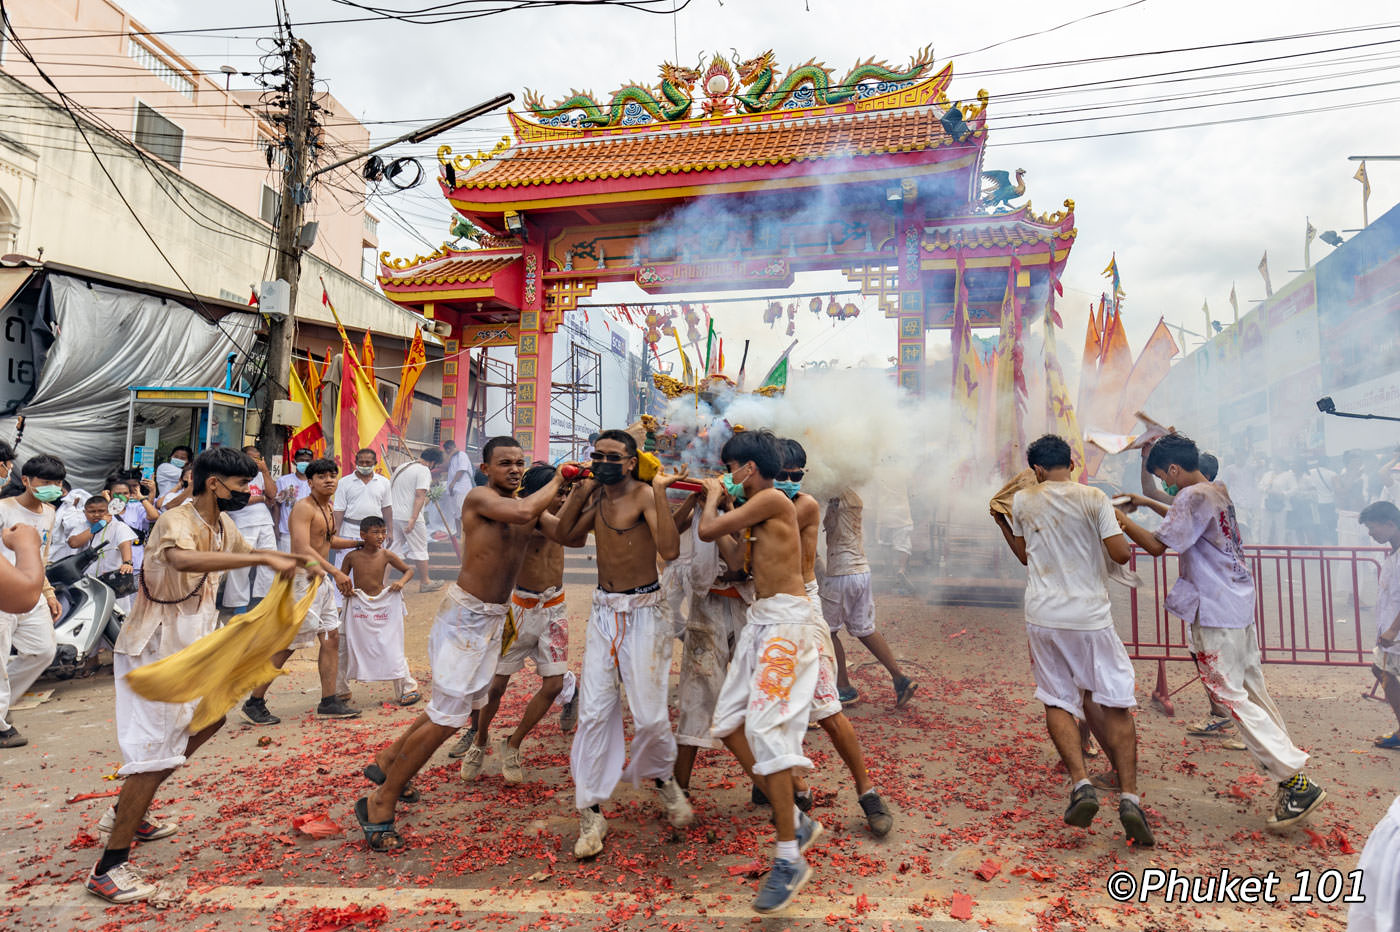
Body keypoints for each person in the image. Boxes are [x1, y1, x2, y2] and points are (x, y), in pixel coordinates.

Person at [83, 448, 313, 904]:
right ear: (213, 484)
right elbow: (184, 562)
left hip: (194, 645)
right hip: (155, 648)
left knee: (209, 721)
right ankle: (108, 868)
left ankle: (127, 809)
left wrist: (312, 563)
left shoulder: (223, 525)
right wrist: (262, 563)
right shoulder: (176, 521)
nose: (247, 495)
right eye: (240, 486)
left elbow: (259, 551)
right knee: (154, 754)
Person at [356, 437, 570, 852]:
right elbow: (527, 509)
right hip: (465, 617)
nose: (514, 469)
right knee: (447, 717)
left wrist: (581, 492)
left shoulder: (526, 509)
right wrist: (561, 477)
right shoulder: (481, 497)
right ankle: (379, 803)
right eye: (505, 463)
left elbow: (569, 533)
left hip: (490, 620)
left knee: (450, 709)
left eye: (519, 463)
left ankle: (386, 763)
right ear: (485, 468)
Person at [1119, 434, 1326, 831]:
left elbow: (1159, 545)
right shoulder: (1215, 490)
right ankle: (1289, 779)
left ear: (1174, 469)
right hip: (1236, 606)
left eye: (1163, 475)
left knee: (1229, 698)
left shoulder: (1191, 497)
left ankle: (1296, 781)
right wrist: (1146, 502)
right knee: (1252, 692)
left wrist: (1121, 520)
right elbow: (1186, 519)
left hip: (1215, 610)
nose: (1163, 482)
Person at [991, 435, 1154, 848]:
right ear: (1072, 464)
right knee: (1114, 701)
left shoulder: (1024, 501)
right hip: (1089, 617)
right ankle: (1131, 797)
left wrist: (1002, 524)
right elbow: (1121, 555)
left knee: (1057, 699)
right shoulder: (1094, 498)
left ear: (1039, 470)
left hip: (1043, 617)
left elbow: (1025, 555)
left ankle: (1081, 783)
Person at [698, 429, 827, 914]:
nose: (726, 477)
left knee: (765, 731)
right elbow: (735, 560)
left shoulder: (772, 497)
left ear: (747, 468)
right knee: (728, 724)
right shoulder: (758, 512)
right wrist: (711, 510)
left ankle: (789, 856)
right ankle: (795, 815)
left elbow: (709, 531)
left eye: (730, 468)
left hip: (786, 626)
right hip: (762, 621)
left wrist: (711, 499)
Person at [553, 428, 691, 859]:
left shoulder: (646, 496)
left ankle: (664, 779)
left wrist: (662, 493)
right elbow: (566, 536)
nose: (604, 461)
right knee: (594, 711)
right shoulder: (595, 495)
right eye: (598, 455)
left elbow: (668, 551)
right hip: (602, 612)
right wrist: (582, 489)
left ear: (631, 462)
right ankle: (591, 810)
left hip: (646, 612)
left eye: (613, 457)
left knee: (649, 716)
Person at [777, 438, 893, 836]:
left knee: (827, 709)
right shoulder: (760, 503)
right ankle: (792, 786)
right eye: (781, 475)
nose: (788, 482)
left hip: (804, 607)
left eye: (794, 475)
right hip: (766, 613)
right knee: (767, 712)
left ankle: (867, 791)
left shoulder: (805, 504)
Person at [459, 463, 583, 781]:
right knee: (497, 685)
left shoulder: (562, 515)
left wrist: (586, 488)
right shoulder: (523, 515)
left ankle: (513, 744)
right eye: (559, 493)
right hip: (520, 609)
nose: (563, 499)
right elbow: (553, 528)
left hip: (554, 607)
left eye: (566, 493)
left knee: (554, 685)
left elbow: (576, 538)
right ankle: (480, 739)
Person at [240, 458, 359, 725]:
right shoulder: (303, 508)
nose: (329, 480)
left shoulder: (327, 507)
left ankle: (329, 701)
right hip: (302, 580)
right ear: (310, 480)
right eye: (322, 476)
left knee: (331, 638)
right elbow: (302, 549)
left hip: (321, 580)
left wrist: (362, 542)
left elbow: (328, 540)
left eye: (333, 475)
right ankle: (254, 702)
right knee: (288, 645)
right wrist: (337, 571)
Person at [819, 488, 917, 708]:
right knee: (865, 629)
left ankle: (843, 687)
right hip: (861, 571)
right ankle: (900, 679)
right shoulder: (854, 496)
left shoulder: (837, 495)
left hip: (841, 573)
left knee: (828, 631)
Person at [0, 454, 64, 749]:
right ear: (25, 481)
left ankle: (1, 707)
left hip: (33, 591)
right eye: (46, 481)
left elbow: (42, 556)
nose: (53, 486)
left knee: (42, 651)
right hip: (4, 593)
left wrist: (48, 592)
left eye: (57, 482)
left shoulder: (50, 512)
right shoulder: (3, 509)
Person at [340, 515, 420, 707]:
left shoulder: (386, 555)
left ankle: (407, 688)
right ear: (363, 535)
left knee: (391, 644)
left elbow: (408, 571)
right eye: (375, 532)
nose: (380, 536)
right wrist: (347, 590)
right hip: (358, 605)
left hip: (382, 605)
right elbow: (341, 578)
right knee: (345, 645)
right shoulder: (352, 556)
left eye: (383, 532)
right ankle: (339, 690)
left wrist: (400, 583)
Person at [220, 447, 278, 615]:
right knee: (241, 562)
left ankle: (264, 599)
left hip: (265, 522)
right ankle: (238, 603)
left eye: (258, 457)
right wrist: (262, 498)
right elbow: (238, 500)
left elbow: (272, 494)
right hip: (242, 522)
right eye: (251, 457)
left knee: (269, 560)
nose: (255, 460)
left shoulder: (260, 474)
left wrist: (266, 472)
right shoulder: (233, 474)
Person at [1361, 501, 1400, 749]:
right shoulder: (1393, 553)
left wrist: (1393, 629)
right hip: (1390, 632)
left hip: (1395, 632)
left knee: (1384, 672)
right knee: (1382, 670)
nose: (1370, 533)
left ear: (1390, 524)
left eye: (1373, 527)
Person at [389, 447, 445, 593]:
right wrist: (413, 518)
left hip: (393, 515)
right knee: (420, 550)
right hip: (410, 517)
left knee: (392, 551)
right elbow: (420, 494)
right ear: (433, 462)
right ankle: (425, 582)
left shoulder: (403, 466)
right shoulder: (424, 470)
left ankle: (381, 582)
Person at [331, 449, 392, 570]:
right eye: (361, 462)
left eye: (368, 462)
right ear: (356, 462)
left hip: (374, 533)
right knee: (344, 568)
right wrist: (336, 535)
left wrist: (390, 531)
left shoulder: (384, 482)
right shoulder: (344, 482)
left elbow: (387, 509)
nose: (364, 465)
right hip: (348, 533)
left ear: (375, 462)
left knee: (372, 569)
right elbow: (338, 511)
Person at [274, 448, 314, 550]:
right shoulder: (283, 481)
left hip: (310, 533)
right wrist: (276, 527)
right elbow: (277, 505)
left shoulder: (315, 482)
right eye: (301, 460)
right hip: (287, 533)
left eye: (307, 460)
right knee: (285, 564)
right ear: (294, 461)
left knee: (305, 564)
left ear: (312, 462)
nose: (304, 463)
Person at [445, 439, 472, 535]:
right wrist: (450, 455)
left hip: (462, 488)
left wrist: (453, 483)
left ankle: (466, 533)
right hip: (453, 488)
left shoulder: (462, 455)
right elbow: (445, 465)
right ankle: (458, 533)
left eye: (449, 449)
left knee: (462, 511)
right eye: (446, 450)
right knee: (455, 513)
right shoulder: (452, 457)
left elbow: (462, 470)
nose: (447, 451)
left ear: (453, 447)